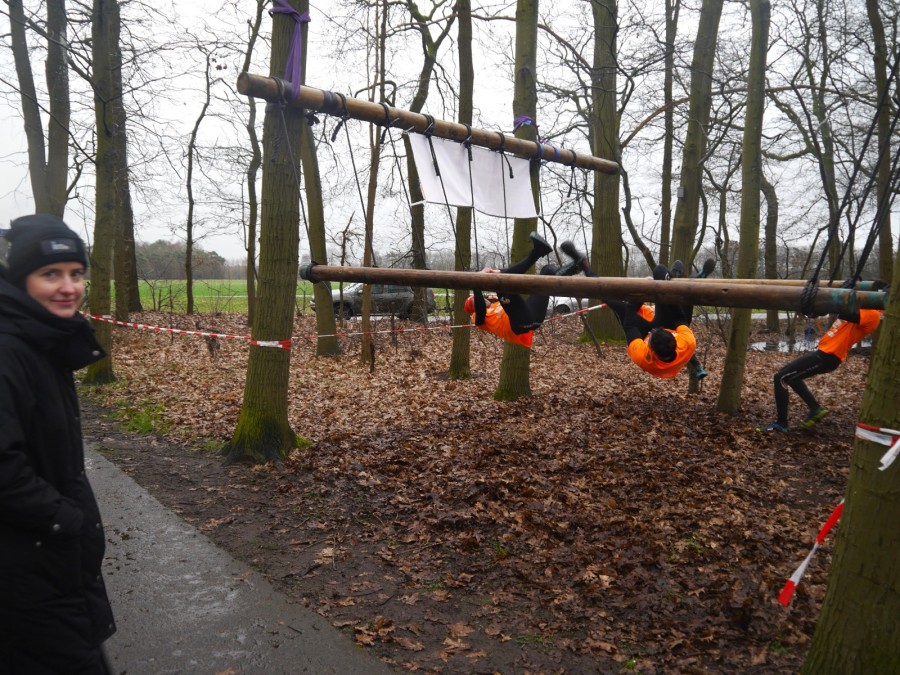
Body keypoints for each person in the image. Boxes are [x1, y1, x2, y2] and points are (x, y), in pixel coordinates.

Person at [0, 215, 116, 673]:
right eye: (50, 274)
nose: (69, 287)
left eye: (76, 273)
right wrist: (65, 520)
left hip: (51, 563)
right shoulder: (9, 351)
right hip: (28, 567)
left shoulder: (42, 338)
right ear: (21, 280)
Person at [559, 240, 715, 379]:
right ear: (673, 337)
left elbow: (629, 321)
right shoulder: (686, 342)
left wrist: (642, 292)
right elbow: (680, 317)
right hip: (672, 323)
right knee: (661, 273)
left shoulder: (641, 355)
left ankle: (585, 265)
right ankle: (676, 275)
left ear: (650, 346)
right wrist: (659, 289)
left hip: (646, 332)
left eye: (653, 334)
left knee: (613, 302)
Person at [759, 280, 888, 432]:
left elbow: (845, 312)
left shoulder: (873, 315)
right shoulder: (865, 310)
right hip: (824, 353)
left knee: (781, 378)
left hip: (829, 356)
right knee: (790, 377)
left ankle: (781, 424)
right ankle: (815, 408)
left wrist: (841, 294)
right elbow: (843, 309)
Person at [464, 232, 559, 348]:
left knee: (547, 271)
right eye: (475, 302)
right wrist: (476, 282)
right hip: (520, 326)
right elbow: (480, 310)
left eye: (479, 299)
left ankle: (563, 272)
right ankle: (536, 253)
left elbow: (505, 278)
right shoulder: (478, 318)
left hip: (534, 317)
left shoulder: (495, 305)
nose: (482, 300)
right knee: (501, 285)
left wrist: (497, 272)